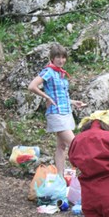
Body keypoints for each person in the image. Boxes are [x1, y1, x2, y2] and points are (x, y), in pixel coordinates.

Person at [27, 43, 87, 177]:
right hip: (56, 113)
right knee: (74, 144)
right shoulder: (48, 71)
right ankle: (88, 172)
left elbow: (60, 94)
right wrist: (45, 96)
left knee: (61, 147)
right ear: (52, 58)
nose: (61, 60)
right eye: (58, 57)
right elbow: (32, 86)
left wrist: (73, 102)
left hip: (65, 111)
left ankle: (60, 176)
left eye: (63, 57)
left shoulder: (60, 73)